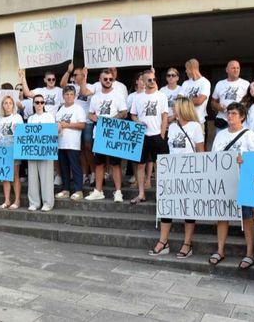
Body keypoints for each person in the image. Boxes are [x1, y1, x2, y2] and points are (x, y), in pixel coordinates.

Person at [149, 96, 204, 258]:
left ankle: (187, 243)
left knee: (188, 208)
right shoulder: (172, 127)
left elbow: (200, 152)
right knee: (167, 206)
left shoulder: (195, 126)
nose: (174, 110)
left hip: (190, 173)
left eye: (176, 107)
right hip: (173, 172)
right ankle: (163, 241)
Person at [209, 102, 254, 267]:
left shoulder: (249, 135)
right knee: (222, 216)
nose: (229, 116)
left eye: (233, 113)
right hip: (224, 181)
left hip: (243, 181)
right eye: (228, 113)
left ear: (242, 117)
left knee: (247, 217)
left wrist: (244, 159)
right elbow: (213, 157)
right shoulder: (220, 135)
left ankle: (250, 252)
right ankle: (220, 249)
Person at [85, 70, 128, 202]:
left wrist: (112, 120)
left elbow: (124, 112)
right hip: (99, 133)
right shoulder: (95, 97)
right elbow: (90, 114)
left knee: (115, 164)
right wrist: (97, 119)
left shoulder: (118, 95)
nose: (108, 81)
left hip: (113, 133)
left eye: (110, 79)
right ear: (100, 79)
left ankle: (118, 192)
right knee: (99, 163)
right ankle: (98, 191)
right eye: (105, 79)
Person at [130, 70, 169, 204]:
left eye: (154, 79)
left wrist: (163, 134)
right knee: (141, 165)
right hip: (143, 135)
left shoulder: (161, 96)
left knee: (160, 165)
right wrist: (137, 122)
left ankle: (160, 194)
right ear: (143, 82)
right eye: (149, 80)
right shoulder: (137, 97)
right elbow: (133, 114)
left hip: (158, 134)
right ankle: (141, 193)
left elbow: (165, 116)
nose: (152, 82)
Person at [61, 63, 96, 186]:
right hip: (74, 122)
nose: (74, 77)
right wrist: (68, 71)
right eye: (73, 75)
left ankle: (93, 173)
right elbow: (62, 85)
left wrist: (84, 78)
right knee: (79, 149)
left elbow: (83, 92)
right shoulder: (71, 87)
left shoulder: (92, 86)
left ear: (83, 74)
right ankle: (84, 174)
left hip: (87, 122)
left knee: (88, 147)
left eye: (76, 74)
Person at [0, 96, 24, 209]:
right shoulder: (0, 118)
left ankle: (17, 200)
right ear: (2, 105)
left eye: (10, 103)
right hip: (1, 147)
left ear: (13, 105)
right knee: (5, 175)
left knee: (15, 175)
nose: (8, 105)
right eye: (5, 103)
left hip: (13, 147)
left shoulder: (17, 117)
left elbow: (22, 133)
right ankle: (7, 200)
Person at [55, 86, 86, 201]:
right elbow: (57, 124)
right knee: (63, 168)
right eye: (67, 94)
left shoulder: (78, 109)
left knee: (75, 167)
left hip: (73, 143)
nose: (69, 96)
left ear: (75, 96)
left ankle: (79, 190)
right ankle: (66, 190)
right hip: (61, 143)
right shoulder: (60, 109)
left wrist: (67, 125)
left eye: (71, 94)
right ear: (63, 96)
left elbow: (82, 125)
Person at [27, 94, 55, 212]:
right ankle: (34, 202)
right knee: (32, 177)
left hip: (46, 151)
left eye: (41, 102)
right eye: (37, 102)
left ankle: (47, 203)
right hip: (32, 151)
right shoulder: (30, 118)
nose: (39, 104)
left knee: (46, 177)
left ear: (44, 104)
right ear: (33, 104)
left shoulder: (49, 116)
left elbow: (52, 133)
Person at [211, 60, 249, 131]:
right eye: (233, 68)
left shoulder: (246, 84)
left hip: (239, 122)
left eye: (238, 68)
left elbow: (250, 101)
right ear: (227, 70)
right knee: (221, 142)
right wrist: (218, 106)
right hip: (222, 121)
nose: (236, 70)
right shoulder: (220, 83)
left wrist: (242, 106)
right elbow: (213, 102)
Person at [179, 59, 211, 135]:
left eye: (186, 69)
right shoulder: (185, 83)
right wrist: (193, 100)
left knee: (198, 146)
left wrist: (184, 100)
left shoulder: (205, 82)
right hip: (184, 122)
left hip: (198, 122)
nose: (186, 71)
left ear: (191, 68)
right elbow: (178, 100)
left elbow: (199, 101)